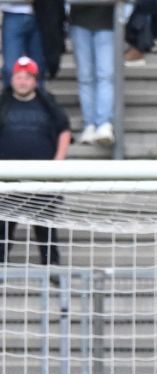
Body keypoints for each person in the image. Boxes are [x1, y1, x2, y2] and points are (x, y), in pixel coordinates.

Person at [0, 55, 67, 268]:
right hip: (8, 181)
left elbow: (64, 130)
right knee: (3, 230)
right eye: (18, 77)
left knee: (45, 228)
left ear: (34, 80)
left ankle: (53, 269)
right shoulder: (3, 103)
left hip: (41, 180)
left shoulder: (48, 103)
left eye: (27, 77)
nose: (22, 81)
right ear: (12, 79)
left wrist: (58, 160)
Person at [66, 4, 114, 145]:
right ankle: (90, 124)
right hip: (79, 21)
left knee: (105, 75)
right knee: (85, 76)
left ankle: (104, 123)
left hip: (108, 22)